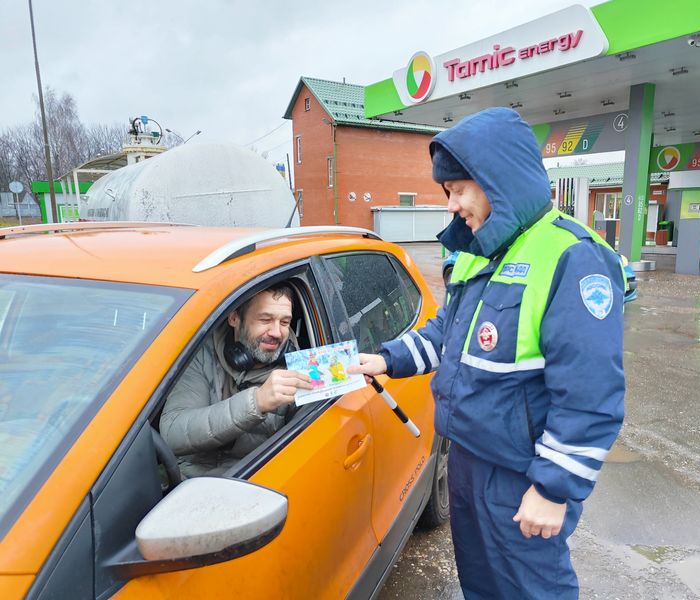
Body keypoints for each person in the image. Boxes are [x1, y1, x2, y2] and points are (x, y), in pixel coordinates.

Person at [349, 107, 625, 599]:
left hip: (522, 474)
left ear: (499, 182)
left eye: (458, 190)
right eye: (447, 192)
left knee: (530, 588)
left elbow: (590, 393)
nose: (452, 205)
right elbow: (446, 332)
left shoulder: (572, 257)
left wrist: (552, 489)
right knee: (481, 583)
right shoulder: (480, 249)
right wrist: (387, 358)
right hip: (468, 458)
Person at [161, 284, 312, 477]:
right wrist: (255, 402)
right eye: (265, 319)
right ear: (234, 318)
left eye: (284, 322)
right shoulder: (201, 353)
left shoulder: (300, 368)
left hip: (255, 485)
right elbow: (172, 433)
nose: (276, 332)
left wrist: (351, 375)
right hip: (189, 484)